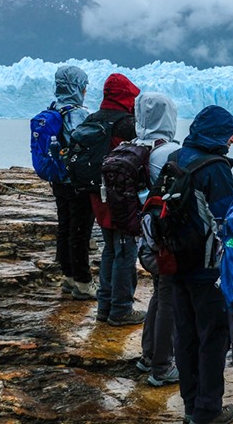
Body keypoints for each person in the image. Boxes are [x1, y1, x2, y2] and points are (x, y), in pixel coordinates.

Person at [171, 105, 233, 424]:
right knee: (213, 339)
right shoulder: (215, 169)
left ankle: (190, 406)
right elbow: (228, 225)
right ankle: (208, 411)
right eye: (230, 133)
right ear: (216, 134)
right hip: (208, 271)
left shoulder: (176, 158)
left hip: (175, 263)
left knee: (185, 336)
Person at [132, 92, 181, 386]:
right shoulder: (168, 152)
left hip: (143, 236)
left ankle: (149, 355)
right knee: (168, 301)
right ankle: (161, 366)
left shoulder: (135, 147)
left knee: (158, 296)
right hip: (163, 239)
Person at [90, 73, 144, 325]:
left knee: (111, 249)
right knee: (125, 251)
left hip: (97, 197)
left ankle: (104, 306)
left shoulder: (93, 119)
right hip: (119, 198)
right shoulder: (126, 123)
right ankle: (121, 309)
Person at [49, 66, 97, 299]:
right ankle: (83, 282)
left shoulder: (54, 108)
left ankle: (68, 277)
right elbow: (85, 142)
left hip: (58, 178)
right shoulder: (77, 113)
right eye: (83, 85)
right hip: (77, 181)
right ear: (77, 87)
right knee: (81, 230)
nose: (86, 89)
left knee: (65, 226)